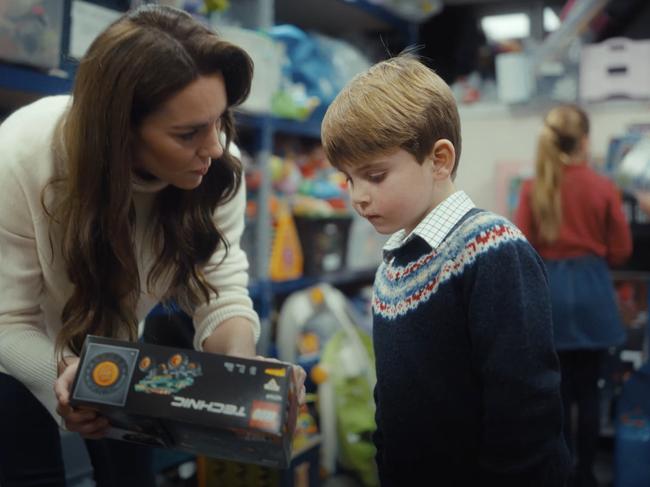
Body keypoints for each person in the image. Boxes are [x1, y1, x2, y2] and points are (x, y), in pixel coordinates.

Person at [0, 5, 305, 486]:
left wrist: (245, 376)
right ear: (119, 132)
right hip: (18, 342)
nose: (213, 145)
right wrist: (62, 376)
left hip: (115, 338)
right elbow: (8, 319)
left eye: (219, 119)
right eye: (188, 133)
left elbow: (221, 292)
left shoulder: (217, 165)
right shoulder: (21, 154)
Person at [320, 53, 570, 486]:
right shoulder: (393, 264)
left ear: (438, 159)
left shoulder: (493, 251)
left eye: (375, 176)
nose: (357, 197)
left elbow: (525, 409)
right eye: (348, 179)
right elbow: (392, 396)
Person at [514, 104, 632, 487]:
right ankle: (586, 475)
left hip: (550, 301)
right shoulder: (603, 187)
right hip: (594, 296)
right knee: (592, 392)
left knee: (557, 394)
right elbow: (621, 249)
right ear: (585, 141)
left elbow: (521, 246)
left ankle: (560, 474)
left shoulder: (534, 188)